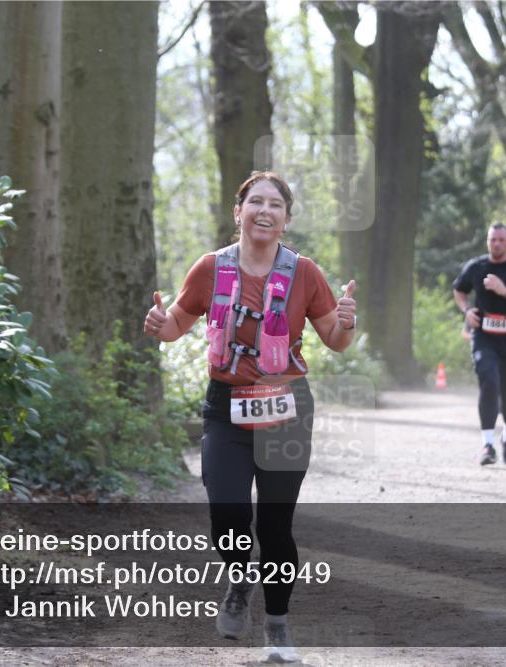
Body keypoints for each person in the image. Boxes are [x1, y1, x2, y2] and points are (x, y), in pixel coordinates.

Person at [143, 171, 357, 662]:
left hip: (287, 409)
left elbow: (336, 340)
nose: (265, 211)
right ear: (238, 212)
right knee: (228, 514)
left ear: (286, 219)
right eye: (255, 202)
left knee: (276, 527)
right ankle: (240, 580)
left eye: (275, 205)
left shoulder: (304, 273)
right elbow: (176, 324)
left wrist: (347, 322)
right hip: (226, 409)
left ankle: (277, 627)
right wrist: (160, 324)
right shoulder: (210, 269)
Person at [452, 223, 506, 466]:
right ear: (487, 242)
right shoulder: (476, 267)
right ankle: (487, 445)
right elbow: (459, 290)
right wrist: (466, 311)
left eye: (501, 239)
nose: (497, 244)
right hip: (483, 337)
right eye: (493, 240)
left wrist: (505, 291)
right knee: (488, 380)